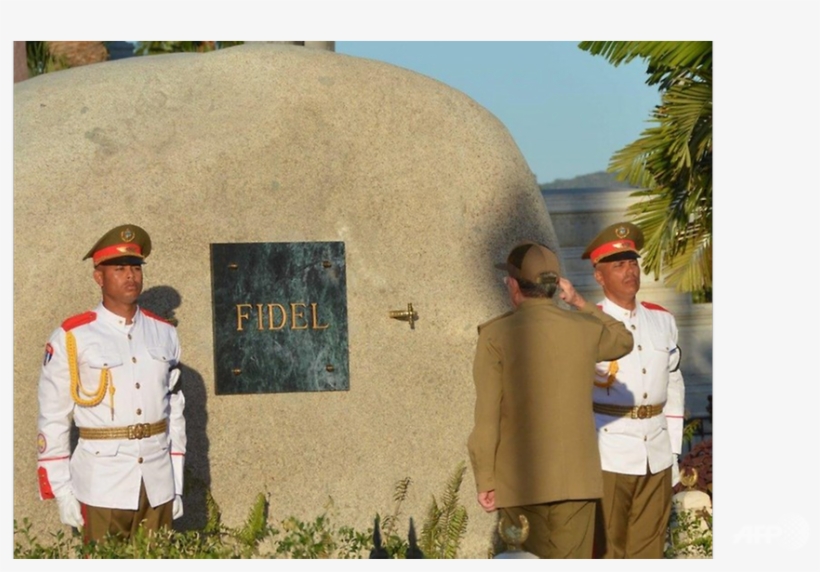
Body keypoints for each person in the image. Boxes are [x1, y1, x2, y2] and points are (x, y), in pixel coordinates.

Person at [467, 241, 634, 558]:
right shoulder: (582, 329)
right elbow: (623, 339)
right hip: (575, 480)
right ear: (556, 286)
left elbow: (487, 418)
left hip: (519, 480)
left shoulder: (495, 335)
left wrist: (486, 479)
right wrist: (580, 302)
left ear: (513, 285)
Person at [36, 224, 186, 543]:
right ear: (99, 277)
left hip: (157, 483)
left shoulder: (165, 334)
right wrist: (61, 490)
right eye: (119, 269)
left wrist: (177, 483)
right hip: (102, 483)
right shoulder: (73, 336)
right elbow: (53, 417)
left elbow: (174, 413)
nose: (130, 276)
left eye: (135, 268)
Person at [581, 222, 685, 559]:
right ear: (599, 276)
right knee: (608, 547)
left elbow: (674, 384)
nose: (630, 272)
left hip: (655, 450)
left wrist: (672, 449)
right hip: (609, 450)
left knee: (649, 548)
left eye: (633, 263)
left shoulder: (662, 320)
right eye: (619, 265)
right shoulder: (587, 324)